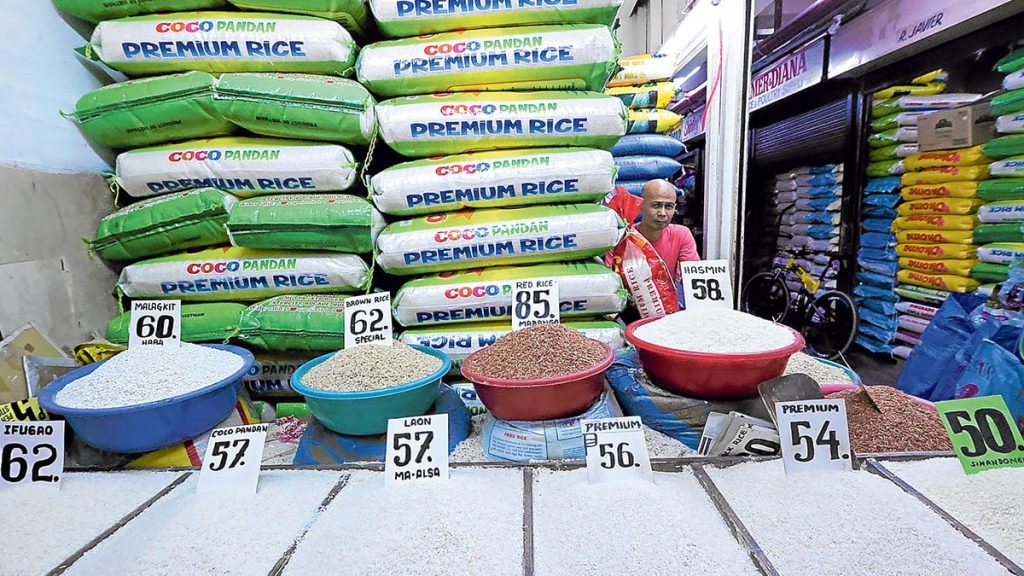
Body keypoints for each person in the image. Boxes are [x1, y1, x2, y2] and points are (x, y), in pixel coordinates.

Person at [635, 178, 701, 281]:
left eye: (669, 206)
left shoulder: (681, 235)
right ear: (641, 205)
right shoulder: (625, 237)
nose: (662, 213)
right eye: (656, 205)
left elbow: (694, 278)